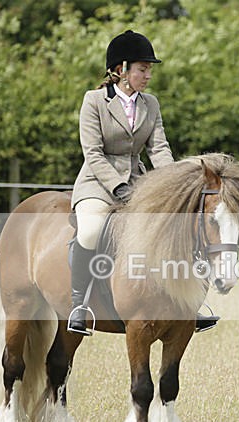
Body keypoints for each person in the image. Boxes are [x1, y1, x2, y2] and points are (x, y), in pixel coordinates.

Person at [68, 30, 218, 335]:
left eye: (149, 69)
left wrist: (173, 184)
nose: (148, 75)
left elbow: (159, 149)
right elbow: (93, 154)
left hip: (139, 183)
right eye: (143, 69)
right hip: (97, 183)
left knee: (174, 225)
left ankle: (186, 303)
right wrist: (116, 187)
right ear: (121, 69)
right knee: (92, 229)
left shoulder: (150, 103)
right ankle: (78, 304)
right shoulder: (94, 101)